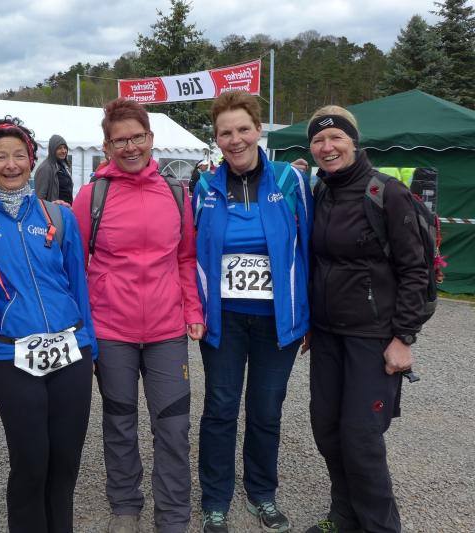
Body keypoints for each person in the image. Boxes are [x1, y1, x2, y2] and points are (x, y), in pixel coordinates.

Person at [0, 116, 97, 533]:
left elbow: (79, 284)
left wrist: (91, 347)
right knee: (30, 463)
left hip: (71, 350)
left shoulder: (58, 217)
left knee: (65, 465)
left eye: (19, 155)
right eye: (2, 156)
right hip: (12, 356)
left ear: (32, 160)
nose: (11, 164)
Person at [71, 97, 205, 533]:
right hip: (112, 331)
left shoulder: (176, 193)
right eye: (119, 140)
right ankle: (126, 507)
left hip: (166, 330)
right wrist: (84, 331)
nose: (130, 147)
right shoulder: (92, 195)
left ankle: (173, 516)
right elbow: (76, 266)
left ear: (151, 138)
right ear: (106, 146)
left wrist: (192, 308)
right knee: (119, 424)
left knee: (174, 427)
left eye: (137, 137)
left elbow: (185, 258)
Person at [192, 90, 312, 533]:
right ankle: (215, 500)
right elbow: (191, 253)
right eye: (225, 132)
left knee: (266, 410)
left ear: (258, 130)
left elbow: (311, 248)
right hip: (223, 320)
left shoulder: (289, 180)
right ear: (217, 138)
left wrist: (309, 315)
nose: (235, 139)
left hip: (276, 322)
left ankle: (262, 493)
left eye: (243, 129)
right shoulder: (204, 187)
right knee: (220, 408)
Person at [304, 106, 427, 533]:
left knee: (361, 438)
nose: (327, 147)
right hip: (327, 335)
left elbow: (416, 270)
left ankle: (380, 526)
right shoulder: (321, 192)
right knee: (327, 430)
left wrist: (404, 337)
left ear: (354, 142)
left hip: (371, 337)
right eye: (318, 140)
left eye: (336, 137)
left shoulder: (386, 193)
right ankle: (344, 516)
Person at [34, 134, 74, 204]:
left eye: (65, 148)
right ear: (53, 149)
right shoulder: (45, 168)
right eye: (59, 148)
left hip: (66, 208)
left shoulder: (63, 166)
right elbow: (40, 197)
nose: (63, 151)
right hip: (54, 210)